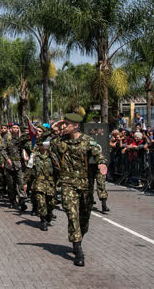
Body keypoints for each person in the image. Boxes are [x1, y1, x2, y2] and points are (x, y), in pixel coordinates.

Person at [49, 113, 107, 267]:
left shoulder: (87, 141)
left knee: (84, 218)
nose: (63, 126)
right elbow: (41, 144)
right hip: (67, 183)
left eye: (66, 124)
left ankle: (79, 237)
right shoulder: (60, 142)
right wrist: (52, 129)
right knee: (71, 213)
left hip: (85, 185)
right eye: (63, 124)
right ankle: (78, 248)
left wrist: (101, 163)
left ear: (76, 125)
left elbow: (98, 153)